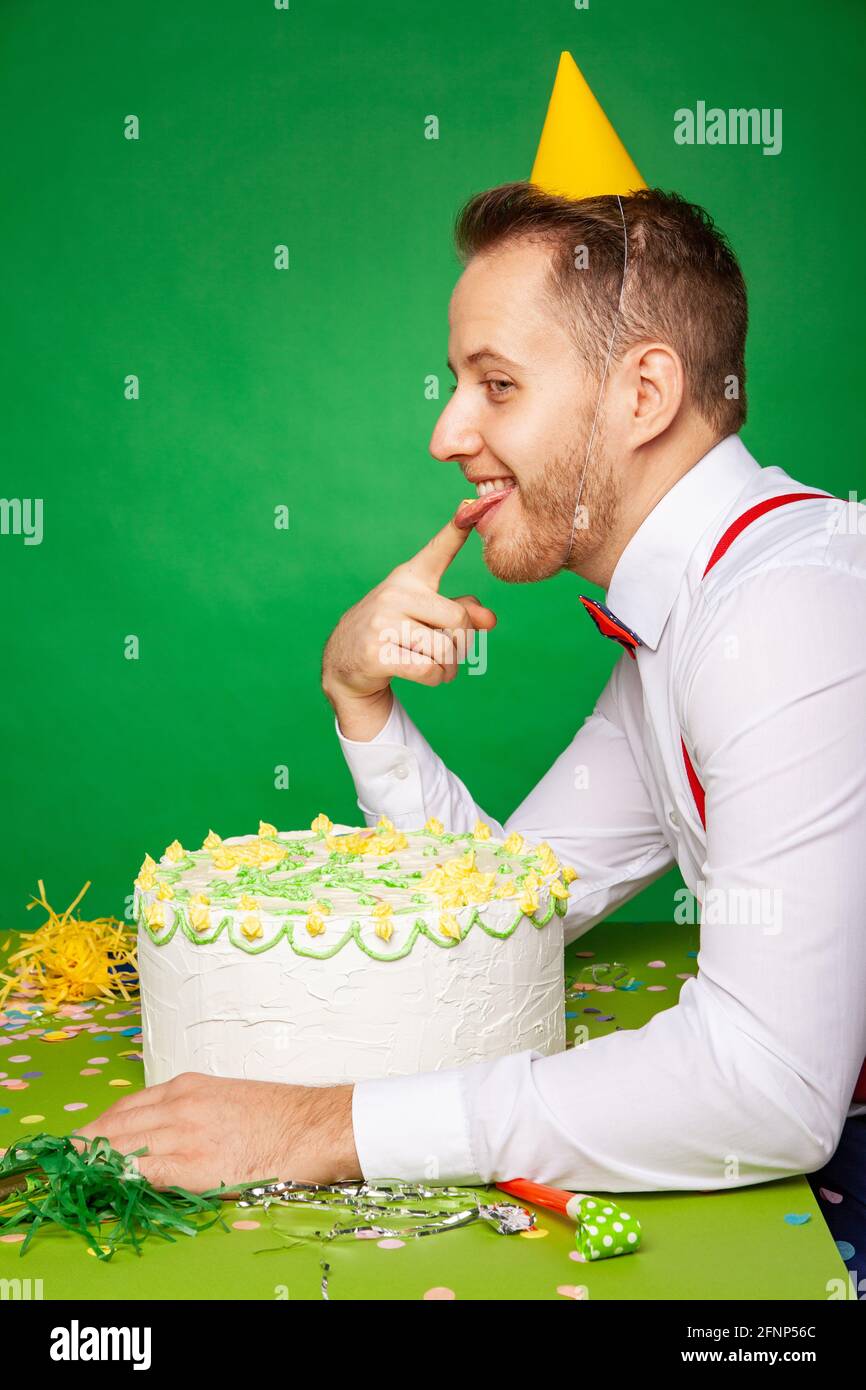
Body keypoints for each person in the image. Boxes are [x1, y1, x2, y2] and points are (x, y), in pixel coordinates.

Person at [80, 185, 866, 1276]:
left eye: (495, 385)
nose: (447, 433)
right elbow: (508, 901)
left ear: (642, 390)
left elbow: (768, 1088)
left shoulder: (789, 608)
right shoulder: (685, 619)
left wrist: (317, 1126)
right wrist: (359, 699)